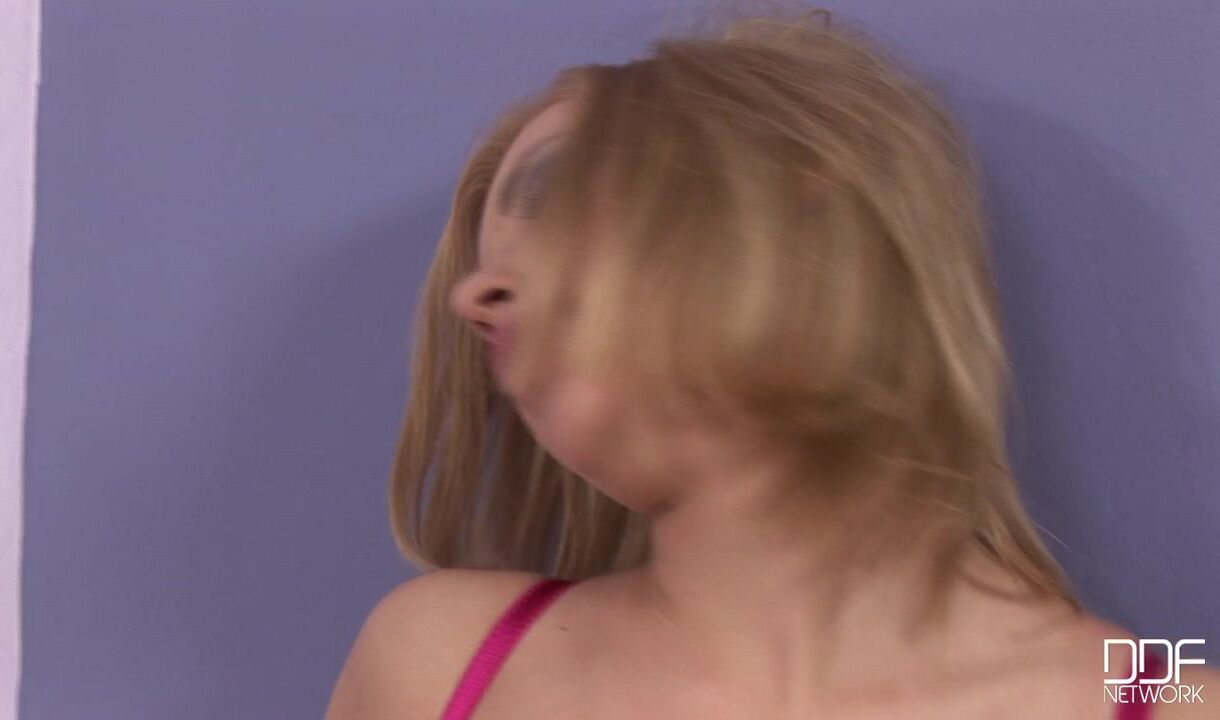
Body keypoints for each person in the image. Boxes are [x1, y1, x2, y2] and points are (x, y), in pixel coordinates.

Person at [325, 8, 1216, 719]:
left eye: (552, 193)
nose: (474, 296)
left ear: (803, 214)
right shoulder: (434, 666)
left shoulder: (1171, 702)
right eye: (486, 263)